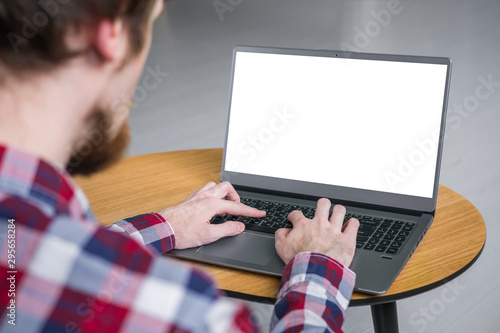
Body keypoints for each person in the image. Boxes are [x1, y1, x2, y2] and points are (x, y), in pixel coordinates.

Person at [0, 0, 360, 332]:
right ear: (110, 33)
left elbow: (46, 256)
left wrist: (167, 225)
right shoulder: (184, 314)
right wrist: (318, 266)